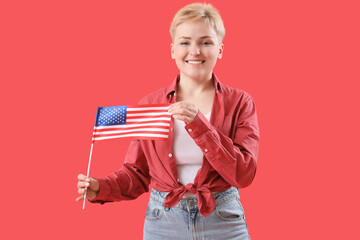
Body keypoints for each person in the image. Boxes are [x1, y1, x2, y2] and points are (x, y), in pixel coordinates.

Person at [76, 2, 260, 239]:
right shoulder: (151, 104)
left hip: (223, 220)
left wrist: (200, 125)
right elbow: (137, 173)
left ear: (220, 50)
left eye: (205, 42)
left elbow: (244, 173)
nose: (195, 51)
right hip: (163, 222)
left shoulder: (241, 102)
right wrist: (100, 188)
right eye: (185, 42)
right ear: (172, 49)